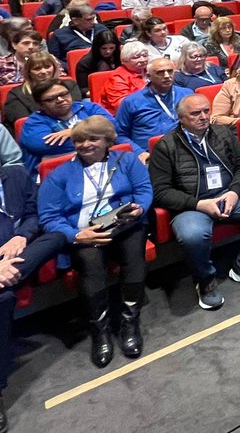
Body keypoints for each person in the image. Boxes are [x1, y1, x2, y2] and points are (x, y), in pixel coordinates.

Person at [37, 116, 153, 367]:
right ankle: (100, 330)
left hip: (124, 225)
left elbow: (144, 190)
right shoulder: (60, 175)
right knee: (90, 262)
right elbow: (48, 217)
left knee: (134, 254)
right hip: (84, 234)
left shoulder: (127, 160)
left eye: (92, 139)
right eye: (79, 140)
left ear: (107, 140)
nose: (85, 144)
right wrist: (76, 235)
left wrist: (139, 210)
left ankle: (129, 322)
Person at [149, 94, 240, 310]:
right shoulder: (166, 146)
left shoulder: (222, 133)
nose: (203, 117)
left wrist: (235, 192)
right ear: (181, 118)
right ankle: (205, 280)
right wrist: (199, 204)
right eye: (195, 113)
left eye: (206, 111)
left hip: (228, 194)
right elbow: (160, 192)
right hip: (192, 205)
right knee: (192, 235)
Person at [1, 161, 70, 409]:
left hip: (18, 250)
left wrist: (21, 236)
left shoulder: (15, 174)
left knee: (56, 237)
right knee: (5, 298)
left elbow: (34, 214)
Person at [114, 58, 194, 152]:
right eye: (160, 72)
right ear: (149, 76)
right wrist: (139, 153)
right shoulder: (131, 102)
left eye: (170, 71)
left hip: (185, 149)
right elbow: (119, 135)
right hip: (149, 154)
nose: (167, 76)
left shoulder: (187, 95)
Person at [3, 52, 81, 127]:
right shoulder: (16, 94)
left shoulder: (70, 85)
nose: (44, 71)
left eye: (47, 67)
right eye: (37, 69)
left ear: (54, 67)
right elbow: (24, 122)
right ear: (29, 72)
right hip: (38, 128)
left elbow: (76, 110)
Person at [98, 41, 150, 114]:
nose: (143, 60)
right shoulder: (117, 78)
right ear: (124, 61)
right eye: (136, 57)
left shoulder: (151, 70)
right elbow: (123, 106)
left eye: (145, 55)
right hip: (124, 117)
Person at [75, 28, 120, 96]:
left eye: (112, 48)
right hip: (95, 93)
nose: (108, 51)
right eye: (104, 48)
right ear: (97, 47)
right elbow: (82, 89)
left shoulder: (120, 57)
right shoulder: (84, 63)